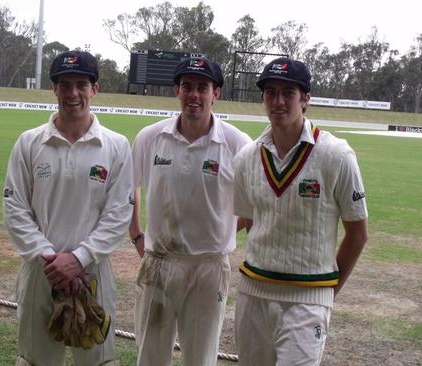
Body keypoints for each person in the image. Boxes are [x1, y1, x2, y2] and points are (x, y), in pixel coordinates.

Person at [232, 57, 369, 365]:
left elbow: (358, 235)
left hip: (309, 298)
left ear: (306, 98)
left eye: (288, 93)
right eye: (270, 92)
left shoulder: (336, 155)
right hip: (254, 293)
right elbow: (251, 221)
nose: (278, 101)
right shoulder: (245, 158)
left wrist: (327, 294)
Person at [2, 50, 133, 366]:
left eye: (81, 84)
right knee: (35, 359)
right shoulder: (29, 143)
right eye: (64, 84)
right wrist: (52, 260)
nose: (73, 93)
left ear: (94, 89)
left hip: (94, 274)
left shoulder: (116, 146)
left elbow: (118, 214)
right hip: (40, 272)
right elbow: (15, 207)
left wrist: (79, 259)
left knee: (99, 360)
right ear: (54, 89)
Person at [128, 57, 252, 366]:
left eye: (202, 88)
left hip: (208, 267)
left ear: (216, 93)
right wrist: (136, 236)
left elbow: (251, 207)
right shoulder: (150, 137)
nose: (194, 95)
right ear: (176, 90)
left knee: (200, 359)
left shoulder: (238, 144)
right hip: (158, 262)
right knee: (150, 357)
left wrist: (219, 231)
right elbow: (130, 189)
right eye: (187, 87)